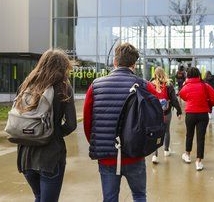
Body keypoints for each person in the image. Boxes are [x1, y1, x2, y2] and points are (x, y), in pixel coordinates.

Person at [83, 43, 159, 202]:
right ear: (134, 64)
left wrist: (99, 143)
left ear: (114, 62)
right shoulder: (145, 85)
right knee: (139, 196)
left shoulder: (96, 86)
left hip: (107, 156)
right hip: (135, 154)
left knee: (109, 198)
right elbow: (155, 118)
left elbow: (87, 122)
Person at [16, 49, 77, 202]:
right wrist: (51, 132)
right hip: (50, 156)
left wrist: (35, 132)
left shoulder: (28, 84)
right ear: (63, 67)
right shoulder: (63, 87)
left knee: (39, 196)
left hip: (26, 155)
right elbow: (71, 124)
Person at [179, 67, 214, 171]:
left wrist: (190, 99)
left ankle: (187, 155)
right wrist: (209, 104)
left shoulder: (186, 86)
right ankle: (198, 162)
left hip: (190, 113)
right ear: (199, 74)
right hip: (203, 114)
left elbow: (181, 95)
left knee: (189, 134)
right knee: (201, 138)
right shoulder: (205, 85)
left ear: (188, 76)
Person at [151, 67, 182, 163]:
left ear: (155, 74)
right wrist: (179, 111)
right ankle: (166, 150)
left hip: (154, 112)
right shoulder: (169, 84)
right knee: (166, 131)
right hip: (166, 112)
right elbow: (174, 99)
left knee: (155, 132)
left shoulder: (151, 84)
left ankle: (155, 155)